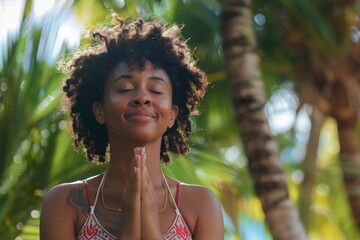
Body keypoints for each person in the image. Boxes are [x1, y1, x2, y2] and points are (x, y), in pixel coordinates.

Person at [40, 16, 224, 240]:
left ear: (172, 115)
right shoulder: (64, 203)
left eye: (156, 90)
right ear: (100, 111)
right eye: (125, 88)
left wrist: (148, 224)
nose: (142, 98)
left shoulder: (201, 205)